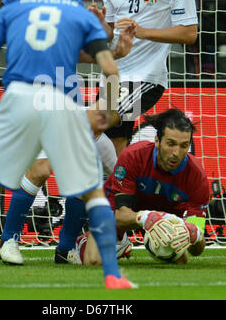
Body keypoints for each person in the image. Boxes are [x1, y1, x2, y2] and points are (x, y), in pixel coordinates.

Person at [0, 0, 135, 289]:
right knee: (92, 186)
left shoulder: (13, 9)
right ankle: (111, 274)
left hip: (19, 98)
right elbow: (110, 69)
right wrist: (107, 112)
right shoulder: (78, 12)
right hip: (60, 101)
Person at [54, 0, 200, 264]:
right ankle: (131, 226)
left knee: (82, 132)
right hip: (113, 75)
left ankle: (68, 240)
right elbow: (111, 33)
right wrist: (100, 26)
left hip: (147, 77)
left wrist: (142, 31)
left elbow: (189, 33)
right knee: (116, 162)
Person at [72, 108, 210, 266]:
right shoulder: (133, 157)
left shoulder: (197, 177)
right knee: (93, 260)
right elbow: (121, 216)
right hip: (124, 209)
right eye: (170, 144)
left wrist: (194, 234)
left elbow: (197, 251)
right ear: (157, 140)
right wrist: (147, 218)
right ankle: (108, 241)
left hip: (164, 215)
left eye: (184, 146)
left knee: (180, 261)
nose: (176, 153)